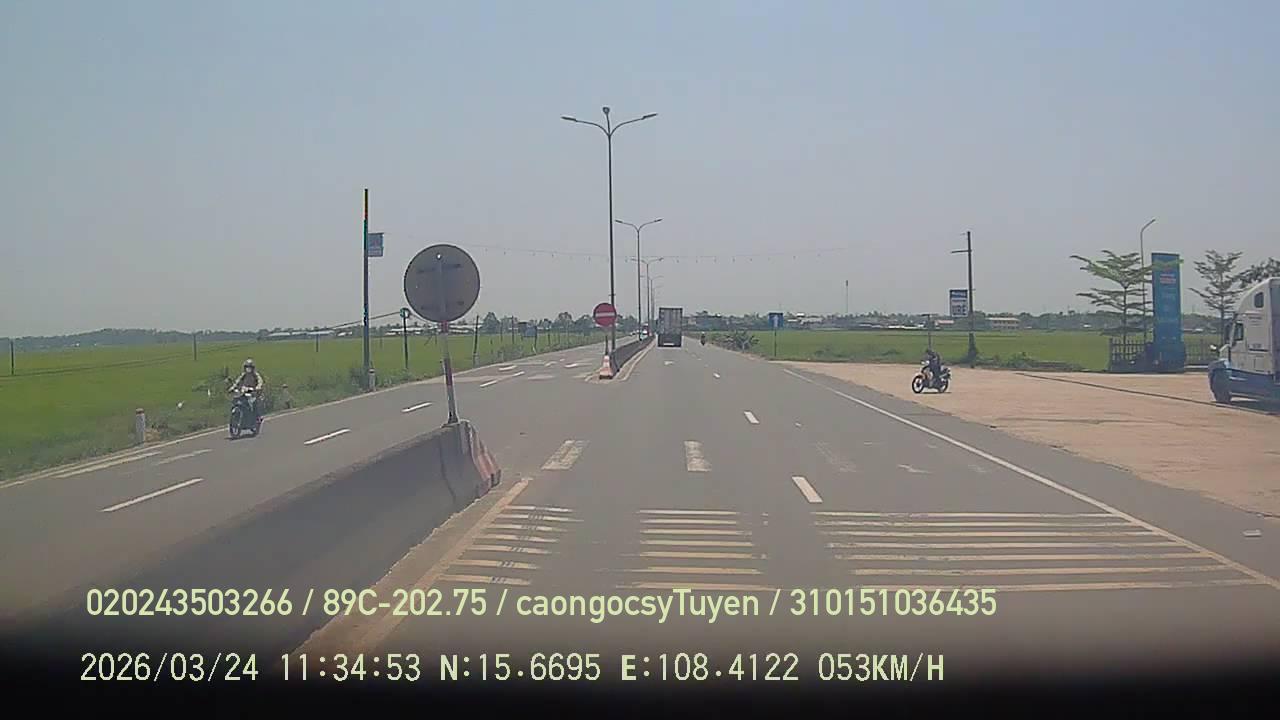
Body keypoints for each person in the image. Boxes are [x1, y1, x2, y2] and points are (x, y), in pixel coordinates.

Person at [230, 358, 266, 423]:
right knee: (236, 399)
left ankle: (257, 417)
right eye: (247, 367)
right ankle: (237, 414)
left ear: (252, 368)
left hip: (252, 391)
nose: (248, 369)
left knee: (254, 402)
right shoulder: (243, 375)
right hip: (244, 390)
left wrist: (258, 387)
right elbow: (237, 381)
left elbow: (260, 381)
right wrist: (233, 387)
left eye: (250, 367)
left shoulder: (255, 375)